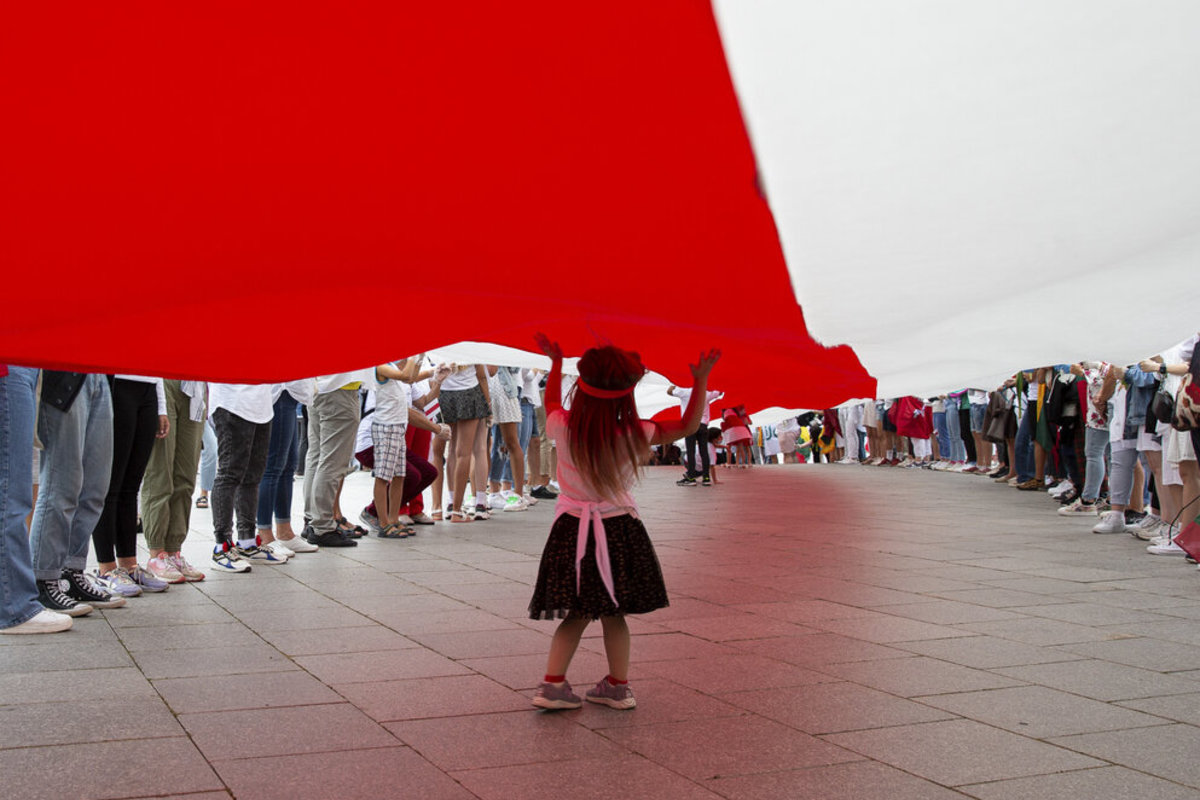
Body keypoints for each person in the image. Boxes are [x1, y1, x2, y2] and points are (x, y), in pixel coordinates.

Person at [528, 333, 720, 711]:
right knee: (614, 613)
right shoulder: (634, 434)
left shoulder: (561, 426)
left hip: (573, 532)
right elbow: (685, 426)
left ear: (581, 389)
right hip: (620, 531)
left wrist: (553, 363)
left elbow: (550, 400)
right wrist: (700, 380)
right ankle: (617, 686)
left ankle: (553, 685)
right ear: (626, 393)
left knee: (577, 612)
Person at [0, 366, 74, 634]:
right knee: (10, 491)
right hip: (8, 366)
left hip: (21, 364)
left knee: (13, 490)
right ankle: (12, 607)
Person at [141, 379, 208, 582]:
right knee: (160, 472)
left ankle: (173, 551)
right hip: (164, 380)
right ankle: (157, 553)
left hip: (194, 382)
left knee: (186, 476)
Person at [668, 383, 723, 486]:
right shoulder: (706, 393)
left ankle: (691, 478)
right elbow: (720, 391)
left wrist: (675, 383)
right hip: (703, 425)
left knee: (691, 451)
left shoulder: (684, 391)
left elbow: (669, 391)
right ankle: (706, 478)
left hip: (690, 425)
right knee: (704, 452)